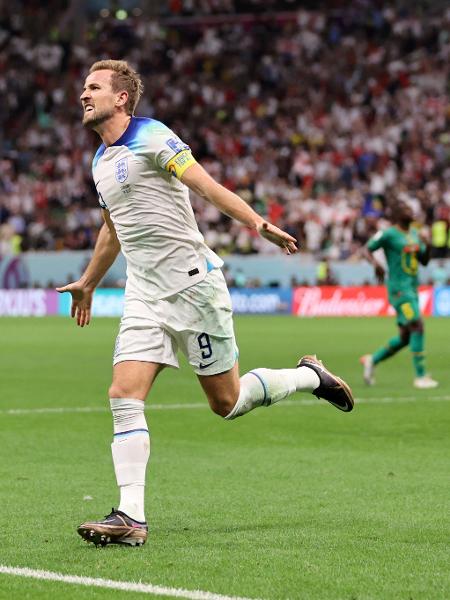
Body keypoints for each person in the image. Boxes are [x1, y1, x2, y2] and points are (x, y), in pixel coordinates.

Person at [57, 60, 354, 548]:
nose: (83, 95)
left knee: (227, 403)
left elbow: (206, 187)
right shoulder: (100, 162)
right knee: (123, 395)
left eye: (93, 87)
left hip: (193, 288)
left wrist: (258, 224)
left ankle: (309, 377)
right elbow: (113, 228)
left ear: (122, 97)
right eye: (83, 87)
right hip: (145, 295)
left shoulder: (153, 137)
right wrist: (89, 282)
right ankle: (131, 517)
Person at [360, 201, 438, 389]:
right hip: (399, 290)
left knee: (405, 336)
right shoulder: (388, 234)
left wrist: (428, 246)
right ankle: (420, 377)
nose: (411, 211)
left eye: (411, 209)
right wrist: (376, 264)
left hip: (412, 288)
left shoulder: (414, 234)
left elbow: (424, 261)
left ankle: (372, 359)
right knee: (417, 326)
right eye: (406, 209)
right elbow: (367, 249)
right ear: (396, 214)